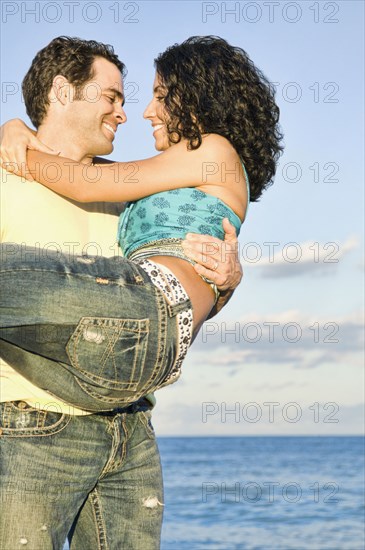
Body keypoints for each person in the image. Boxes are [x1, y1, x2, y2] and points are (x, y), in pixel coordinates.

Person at [0, 37, 245, 550]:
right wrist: (14, 137)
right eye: (111, 97)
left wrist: (227, 282)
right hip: (31, 421)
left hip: (128, 423)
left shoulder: (126, 195)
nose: (127, 113)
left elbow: (162, 297)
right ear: (63, 92)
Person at [1, 35, 282, 414]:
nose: (146, 112)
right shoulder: (171, 178)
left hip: (149, 309)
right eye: (113, 98)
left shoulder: (214, 149)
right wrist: (17, 132)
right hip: (143, 353)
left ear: (199, 96)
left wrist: (18, 151)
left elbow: (87, 181)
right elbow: (94, 173)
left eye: (161, 96)